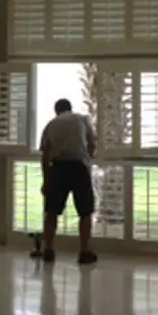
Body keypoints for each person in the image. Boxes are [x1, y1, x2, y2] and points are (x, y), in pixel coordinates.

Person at [39, 98, 98, 265]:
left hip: (58, 168)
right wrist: (87, 160)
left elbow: (45, 153)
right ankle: (84, 252)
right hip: (79, 168)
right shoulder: (82, 119)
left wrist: (46, 179)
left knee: (51, 212)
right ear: (70, 108)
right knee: (85, 212)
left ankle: (48, 250)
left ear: (57, 111)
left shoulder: (51, 125)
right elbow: (92, 143)